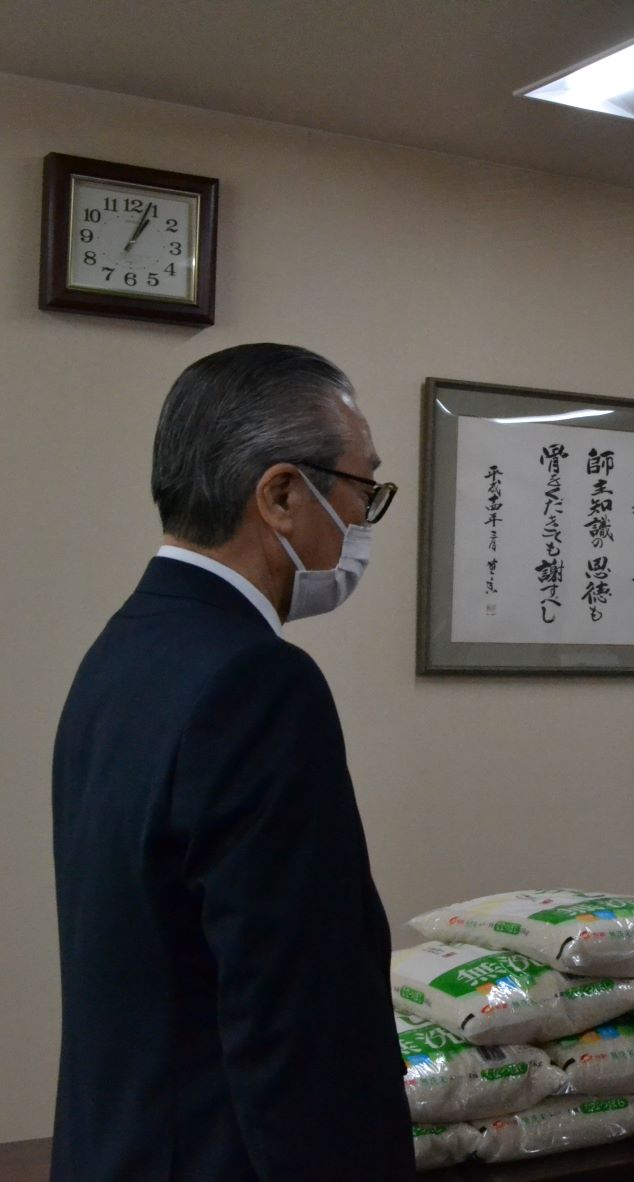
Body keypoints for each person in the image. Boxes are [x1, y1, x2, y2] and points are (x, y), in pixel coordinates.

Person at [51, 343, 413, 1180]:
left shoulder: (122, 650)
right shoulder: (258, 682)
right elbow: (297, 1013)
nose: (363, 520)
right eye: (363, 490)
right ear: (281, 495)